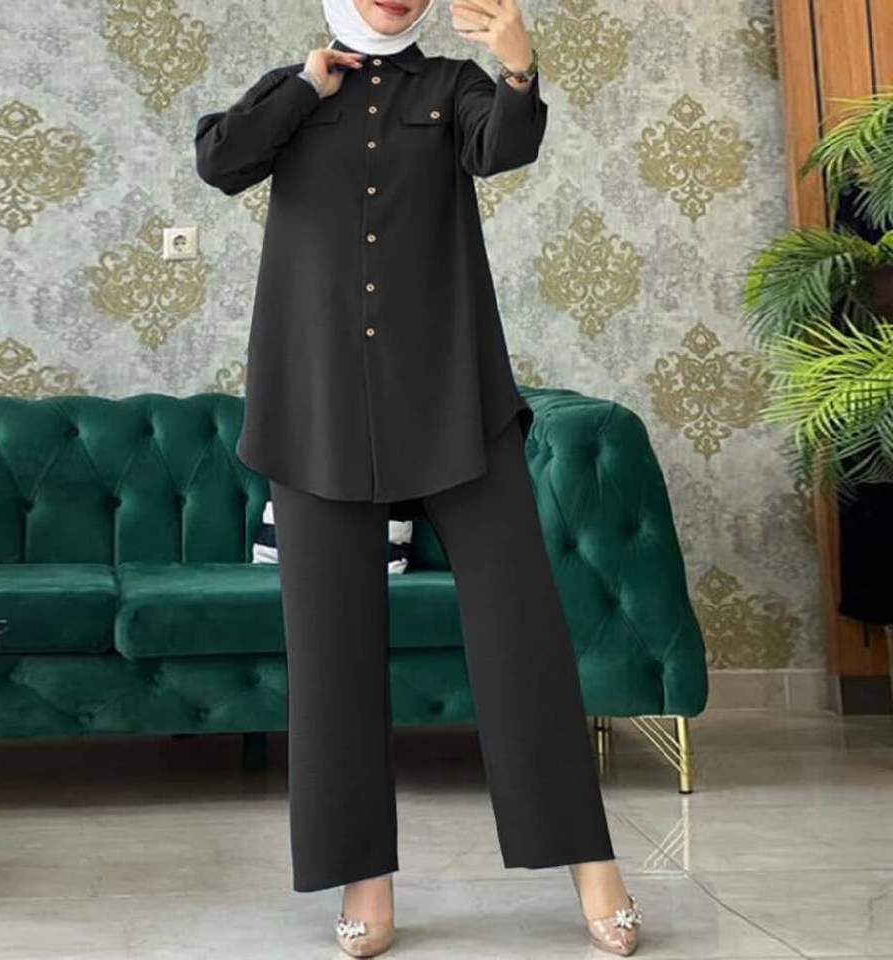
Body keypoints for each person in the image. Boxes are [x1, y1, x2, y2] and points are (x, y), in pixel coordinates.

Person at [194, 0, 643, 955]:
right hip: (315, 407)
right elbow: (221, 161)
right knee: (332, 656)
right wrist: (303, 86)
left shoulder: (452, 86)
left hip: (453, 396)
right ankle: (364, 881)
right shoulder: (295, 91)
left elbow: (503, 147)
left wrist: (518, 68)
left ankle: (593, 866)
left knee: (523, 636)